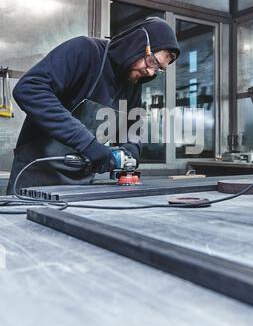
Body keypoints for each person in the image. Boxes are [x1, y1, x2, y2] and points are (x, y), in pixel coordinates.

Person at [6, 17, 180, 194]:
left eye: (158, 69)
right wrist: (87, 143)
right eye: (152, 62)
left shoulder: (133, 82)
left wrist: (130, 151)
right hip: (36, 173)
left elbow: (132, 126)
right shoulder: (84, 51)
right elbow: (29, 89)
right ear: (138, 43)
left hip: (80, 183)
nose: (150, 72)